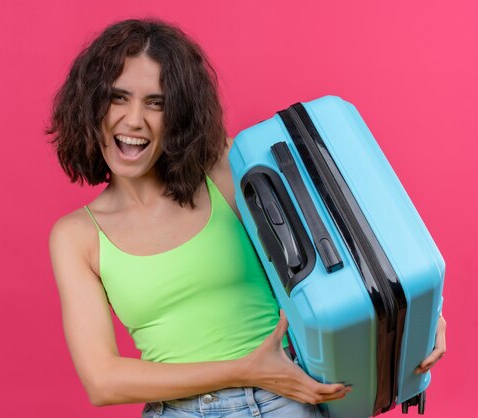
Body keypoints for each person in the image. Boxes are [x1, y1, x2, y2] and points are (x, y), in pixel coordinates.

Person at [46, 19, 446, 417]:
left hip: (288, 401)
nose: (134, 120)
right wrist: (244, 370)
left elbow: (353, 235)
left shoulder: (227, 171)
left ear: (179, 115)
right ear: (91, 106)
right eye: (119, 98)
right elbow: (103, 381)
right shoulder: (77, 236)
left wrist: (424, 318)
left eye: (157, 103)